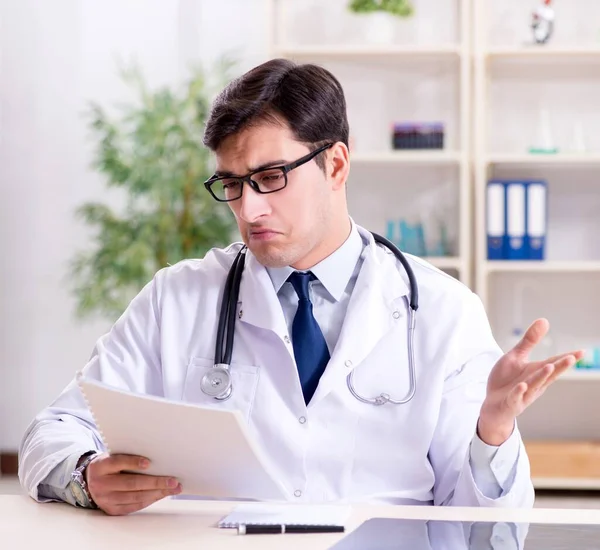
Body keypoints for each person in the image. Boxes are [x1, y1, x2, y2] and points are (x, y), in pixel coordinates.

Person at [19, 58, 582, 516]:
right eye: (232, 184)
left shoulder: (442, 310)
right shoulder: (178, 298)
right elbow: (54, 430)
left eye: (269, 178)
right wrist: (84, 478)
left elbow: (485, 525)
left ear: (336, 165)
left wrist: (494, 429)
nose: (249, 208)